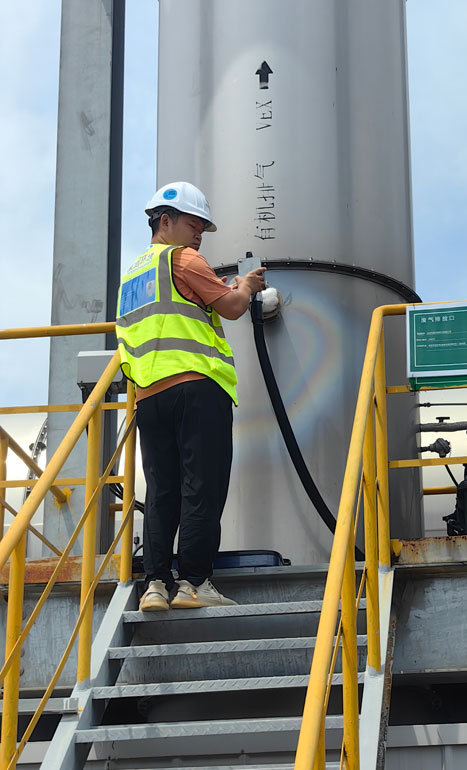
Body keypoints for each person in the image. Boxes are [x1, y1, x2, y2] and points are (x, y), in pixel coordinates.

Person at [115, 182, 265, 611]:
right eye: (193, 224)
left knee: (162, 490)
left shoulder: (132, 276)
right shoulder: (182, 258)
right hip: (197, 387)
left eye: (202, 227)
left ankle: (156, 585)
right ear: (166, 221)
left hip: (148, 396)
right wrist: (247, 285)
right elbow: (232, 307)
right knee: (203, 486)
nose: (199, 234)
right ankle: (195, 583)